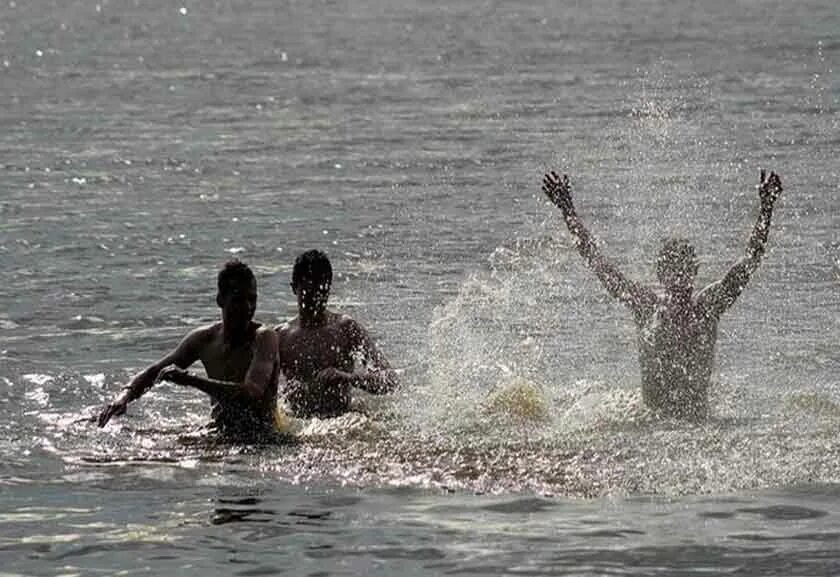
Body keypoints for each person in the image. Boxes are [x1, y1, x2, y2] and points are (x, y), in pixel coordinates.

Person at [542, 170, 782, 419]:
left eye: (683, 270)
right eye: (672, 271)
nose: (678, 278)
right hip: (654, 420)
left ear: (694, 272)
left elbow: (750, 260)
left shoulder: (709, 305)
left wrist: (766, 209)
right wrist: (567, 211)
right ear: (660, 275)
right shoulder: (647, 307)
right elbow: (599, 264)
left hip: (696, 421)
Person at [97, 260, 282, 438]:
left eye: (252, 299)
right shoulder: (204, 339)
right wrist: (123, 397)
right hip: (220, 432)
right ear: (220, 300)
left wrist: (191, 381)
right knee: (124, 435)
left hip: (262, 438)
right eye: (239, 300)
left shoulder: (265, 337)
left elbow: (252, 393)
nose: (248, 307)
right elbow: (155, 371)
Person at [276, 250, 397, 418]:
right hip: (298, 424)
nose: (316, 298)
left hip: (343, 420)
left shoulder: (346, 329)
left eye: (322, 289)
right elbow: (261, 389)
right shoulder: (280, 337)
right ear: (294, 288)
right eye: (309, 290)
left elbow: (390, 381)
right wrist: (285, 392)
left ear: (329, 288)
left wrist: (348, 377)